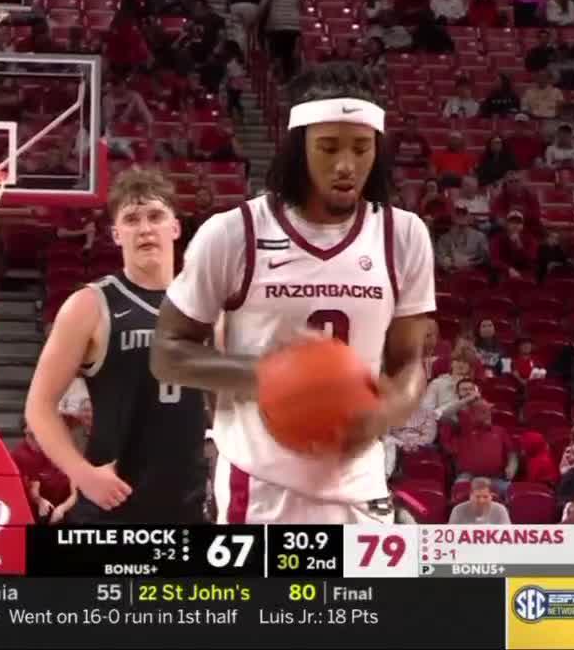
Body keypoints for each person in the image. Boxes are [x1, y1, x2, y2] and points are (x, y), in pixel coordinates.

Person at [151, 62, 436, 523]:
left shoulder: (404, 235)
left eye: (361, 148)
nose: (346, 165)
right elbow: (167, 353)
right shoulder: (234, 233)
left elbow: (408, 362)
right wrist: (272, 376)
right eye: (328, 147)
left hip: (361, 483)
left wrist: (388, 410)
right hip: (260, 486)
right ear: (298, 147)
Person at [24, 168, 208, 522]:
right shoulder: (90, 305)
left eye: (155, 216)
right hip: (111, 505)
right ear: (116, 234)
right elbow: (39, 406)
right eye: (132, 219)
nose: (145, 229)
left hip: (189, 502)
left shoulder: (206, 303)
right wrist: (82, 474)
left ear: (175, 227)